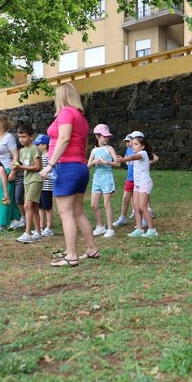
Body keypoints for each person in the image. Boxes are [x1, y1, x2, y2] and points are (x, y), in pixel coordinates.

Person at [40, 82, 100, 266]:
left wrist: (50, 165)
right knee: (77, 212)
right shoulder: (81, 117)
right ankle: (92, 249)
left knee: (65, 213)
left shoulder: (66, 112)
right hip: (80, 167)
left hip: (66, 167)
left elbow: (64, 138)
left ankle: (71, 256)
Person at [120, 133, 158, 237]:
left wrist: (123, 159)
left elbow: (133, 157)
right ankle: (139, 229)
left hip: (144, 183)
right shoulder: (137, 154)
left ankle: (152, 229)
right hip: (137, 184)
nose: (133, 146)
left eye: (136, 144)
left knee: (142, 207)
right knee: (136, 207)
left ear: (143, 146)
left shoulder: (143, 153)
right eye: (132, 144)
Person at [12, 123, 43, 243]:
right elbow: (21, 164)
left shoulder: (34, 149)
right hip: (27, 181)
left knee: (27, 205)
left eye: (24, 137)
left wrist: (20, 167)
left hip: (36, 180)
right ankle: (38, 233)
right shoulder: (22, 151)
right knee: (34, 207)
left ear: (31, 136)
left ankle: (28, 233)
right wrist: (15, 167)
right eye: (20, 137)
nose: (21, 139)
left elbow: (37, 167)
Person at [88, 124, 118, 238]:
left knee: (107, 203)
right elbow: (87, 166)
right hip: (97, 178)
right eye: (104, 136)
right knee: (93, 204)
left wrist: (107, 162)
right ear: (97, 136)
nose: (106, 138)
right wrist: (93, 162)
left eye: (107, 136)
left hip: (107, 177)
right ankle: (100, 226)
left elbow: (117, 163)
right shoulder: (94, 150)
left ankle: (110, 229)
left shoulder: (109, 148)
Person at [0, 113, 19, 231]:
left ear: (1, 123)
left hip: (7, 169)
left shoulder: (9, 137)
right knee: (1, 195)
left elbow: (15, 156)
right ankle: (17, 218)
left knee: (4, 195)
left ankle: (1, 223)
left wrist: (13, 172)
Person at [35, 134, 55, 236]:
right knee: (40, 207)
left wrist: (45, 175)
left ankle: (49, 228)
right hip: (40, 186)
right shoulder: (40, 157)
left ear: (44, 145)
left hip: (47, 187)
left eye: (38, 144)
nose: (36, 147)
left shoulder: (49, 157)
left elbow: (52, 171)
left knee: (47, 208)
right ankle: (41, 226)